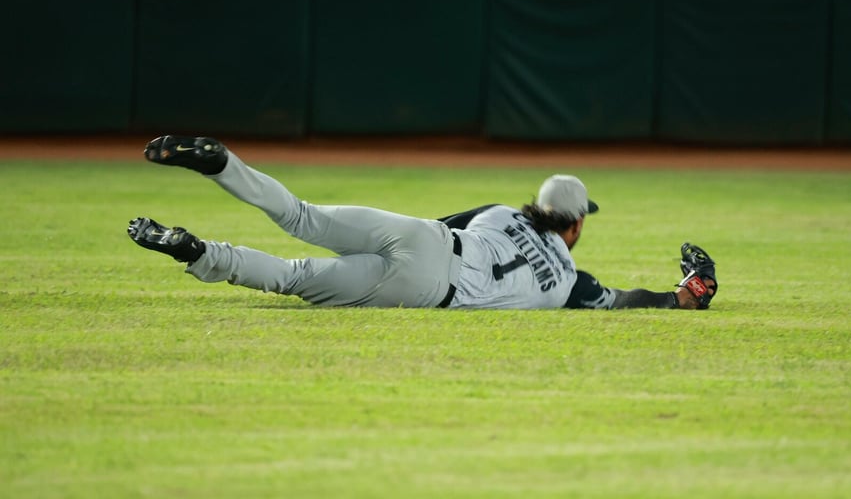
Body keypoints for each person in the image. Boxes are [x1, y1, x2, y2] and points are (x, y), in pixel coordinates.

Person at [127, 135, 718, 310]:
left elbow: (438, 222)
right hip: (431, 287)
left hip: (427, 236)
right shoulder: (572, 284)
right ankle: (194, 251)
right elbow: (642, 300)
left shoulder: (502, 211)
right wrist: (691, 287)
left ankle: (224, 164)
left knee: (301, 216)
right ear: (576, 226)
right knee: (291, 276)